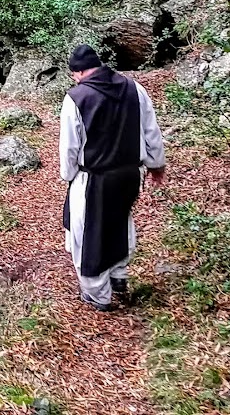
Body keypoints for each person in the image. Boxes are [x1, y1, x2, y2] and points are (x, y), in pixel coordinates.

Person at [60, 44, 165, 311]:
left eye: (74, 74)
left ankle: (98, 294)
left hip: (95, 178)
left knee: (90, 234)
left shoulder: (77, 98)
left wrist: (69, 175)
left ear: (79, 72)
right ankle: (119, 274)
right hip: (130, 174)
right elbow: (150, 129)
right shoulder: (134, 89)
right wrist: (156, 164)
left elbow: (70, 146)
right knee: (119, 221)